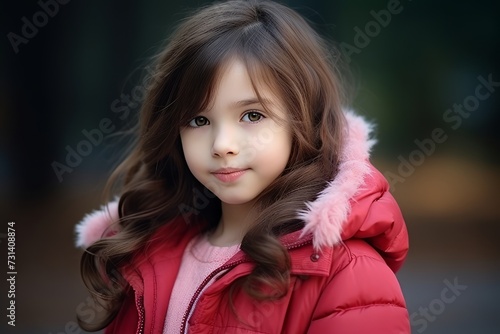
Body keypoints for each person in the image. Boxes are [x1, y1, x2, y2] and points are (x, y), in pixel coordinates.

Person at [75, 0, 410, 333]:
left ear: (303, 121)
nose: (222, 145)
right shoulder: (147, 252)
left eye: (253, 115)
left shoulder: (348, 272)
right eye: (198, 119)